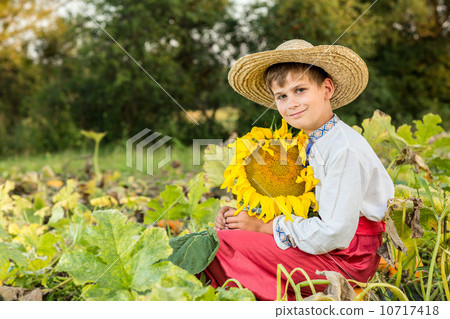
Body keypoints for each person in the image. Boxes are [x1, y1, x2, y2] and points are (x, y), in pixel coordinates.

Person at [204, 39, 394, 300]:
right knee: (222, 237)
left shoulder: (344, 148)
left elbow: (335, 232)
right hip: (325, 247)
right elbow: (294, 203)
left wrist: (263, 228)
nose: (291, 103)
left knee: (219, 246)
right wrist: (242, 217)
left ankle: (289, 303)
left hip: (348, 259)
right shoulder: (308, 142)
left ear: (327, 88)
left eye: (300, 90)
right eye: (282, 96)